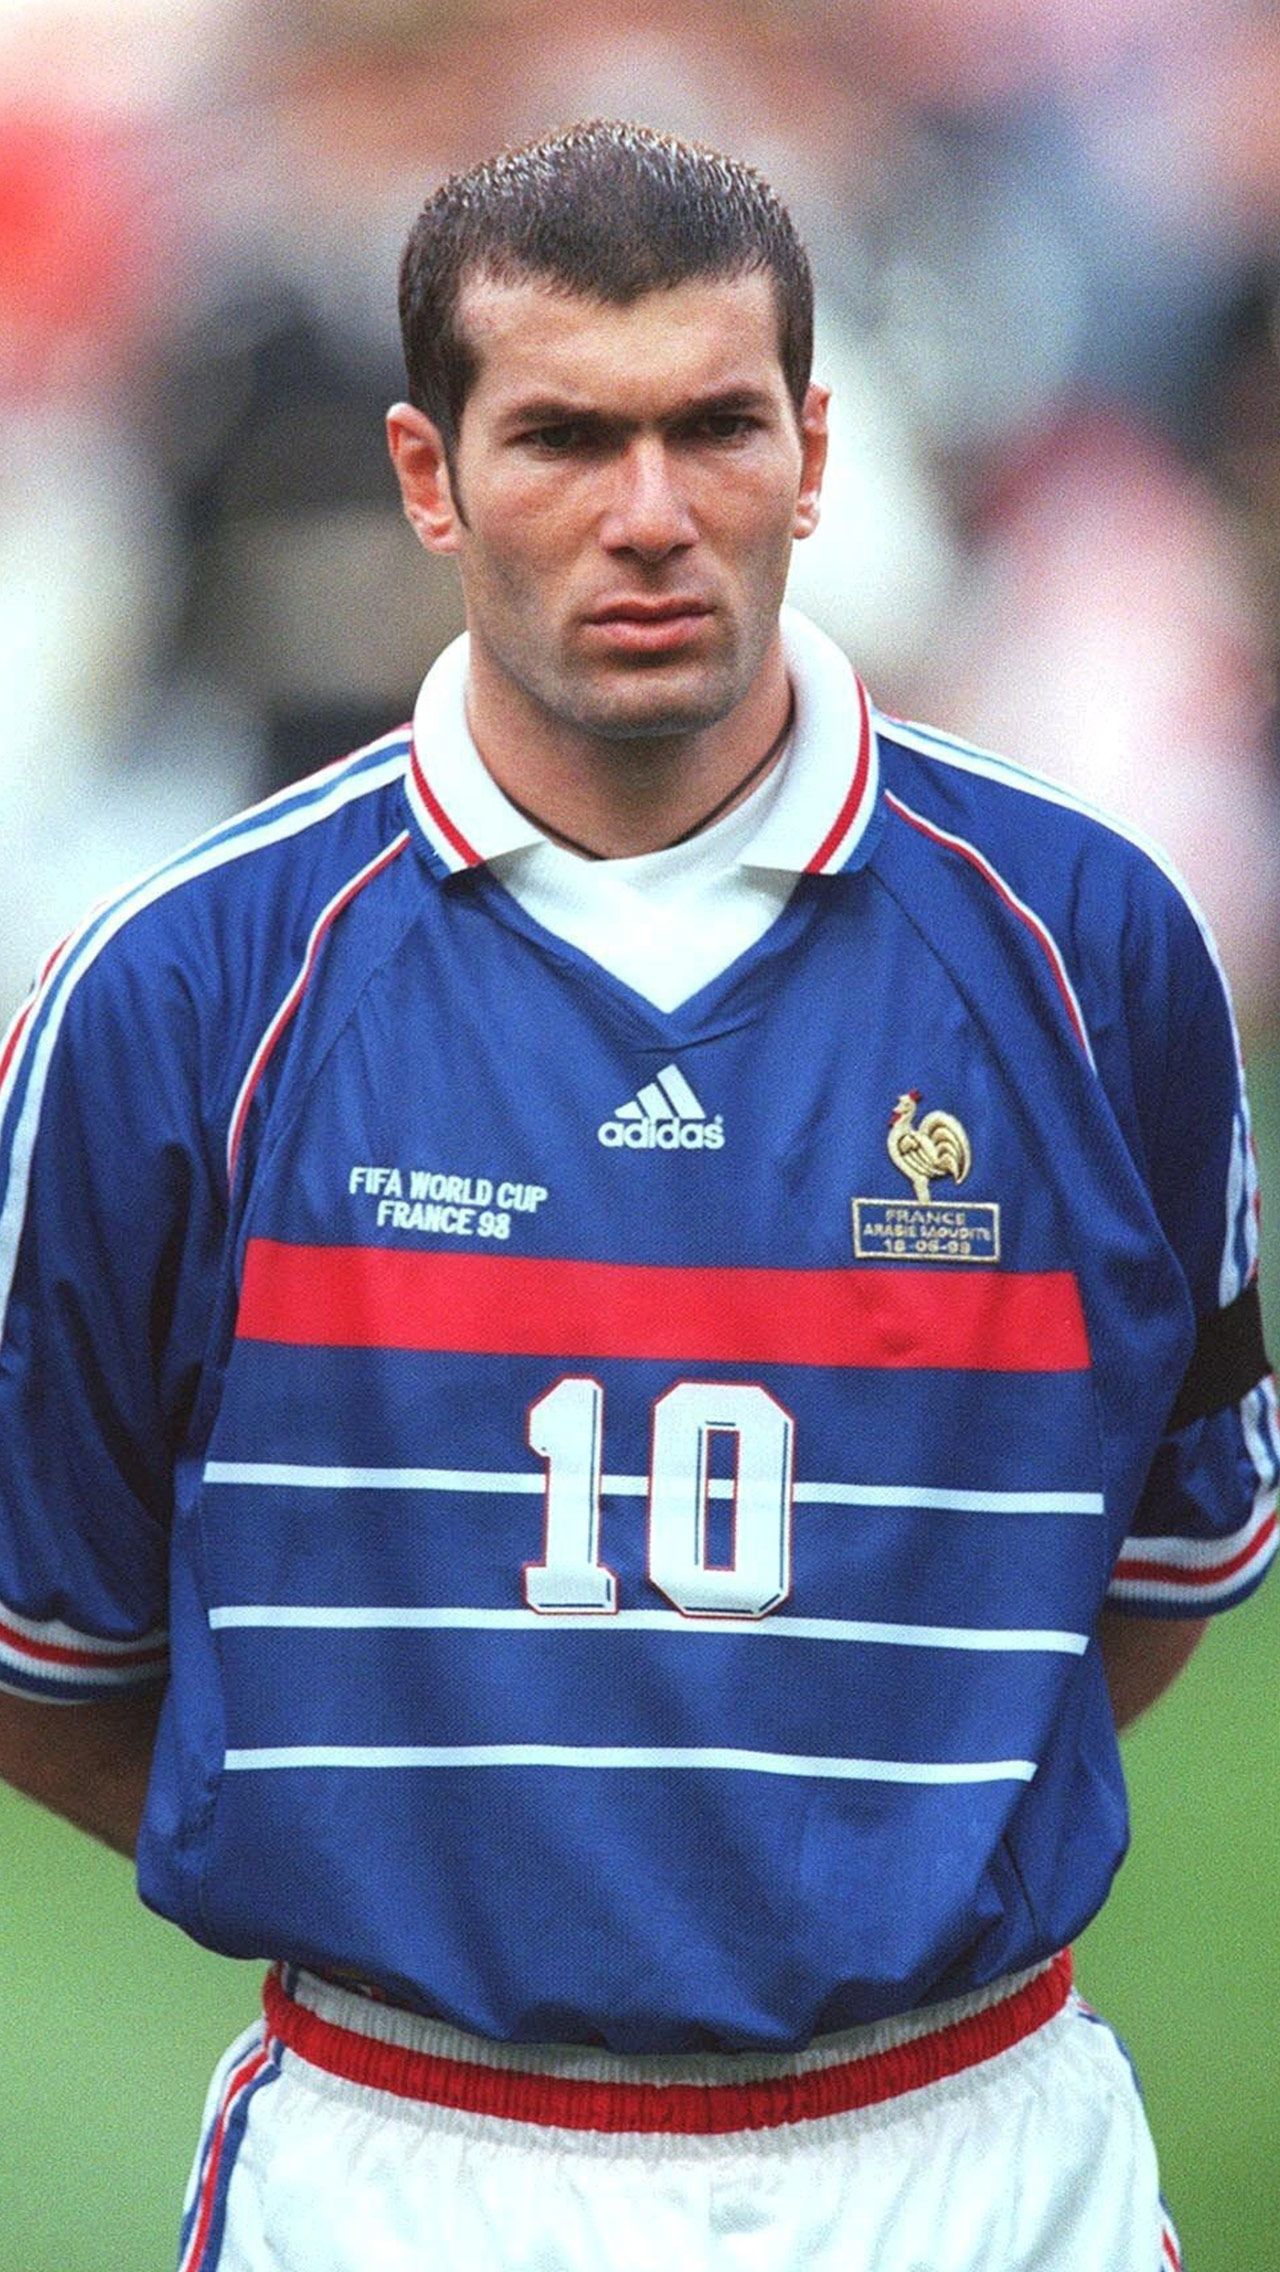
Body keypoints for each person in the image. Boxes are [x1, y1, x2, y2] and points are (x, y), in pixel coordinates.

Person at [0, 120, 1275, 2272]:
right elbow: (49, 1655)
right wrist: (415, 1880)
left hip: (981, 2155)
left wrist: (875, 1857)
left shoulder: (1097, 949)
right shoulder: (173, 996)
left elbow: (1156, 1567)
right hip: (403, 2161)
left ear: (816, 449)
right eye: (565, 438)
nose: (653, 513)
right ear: (427, 476)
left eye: (716, 426)